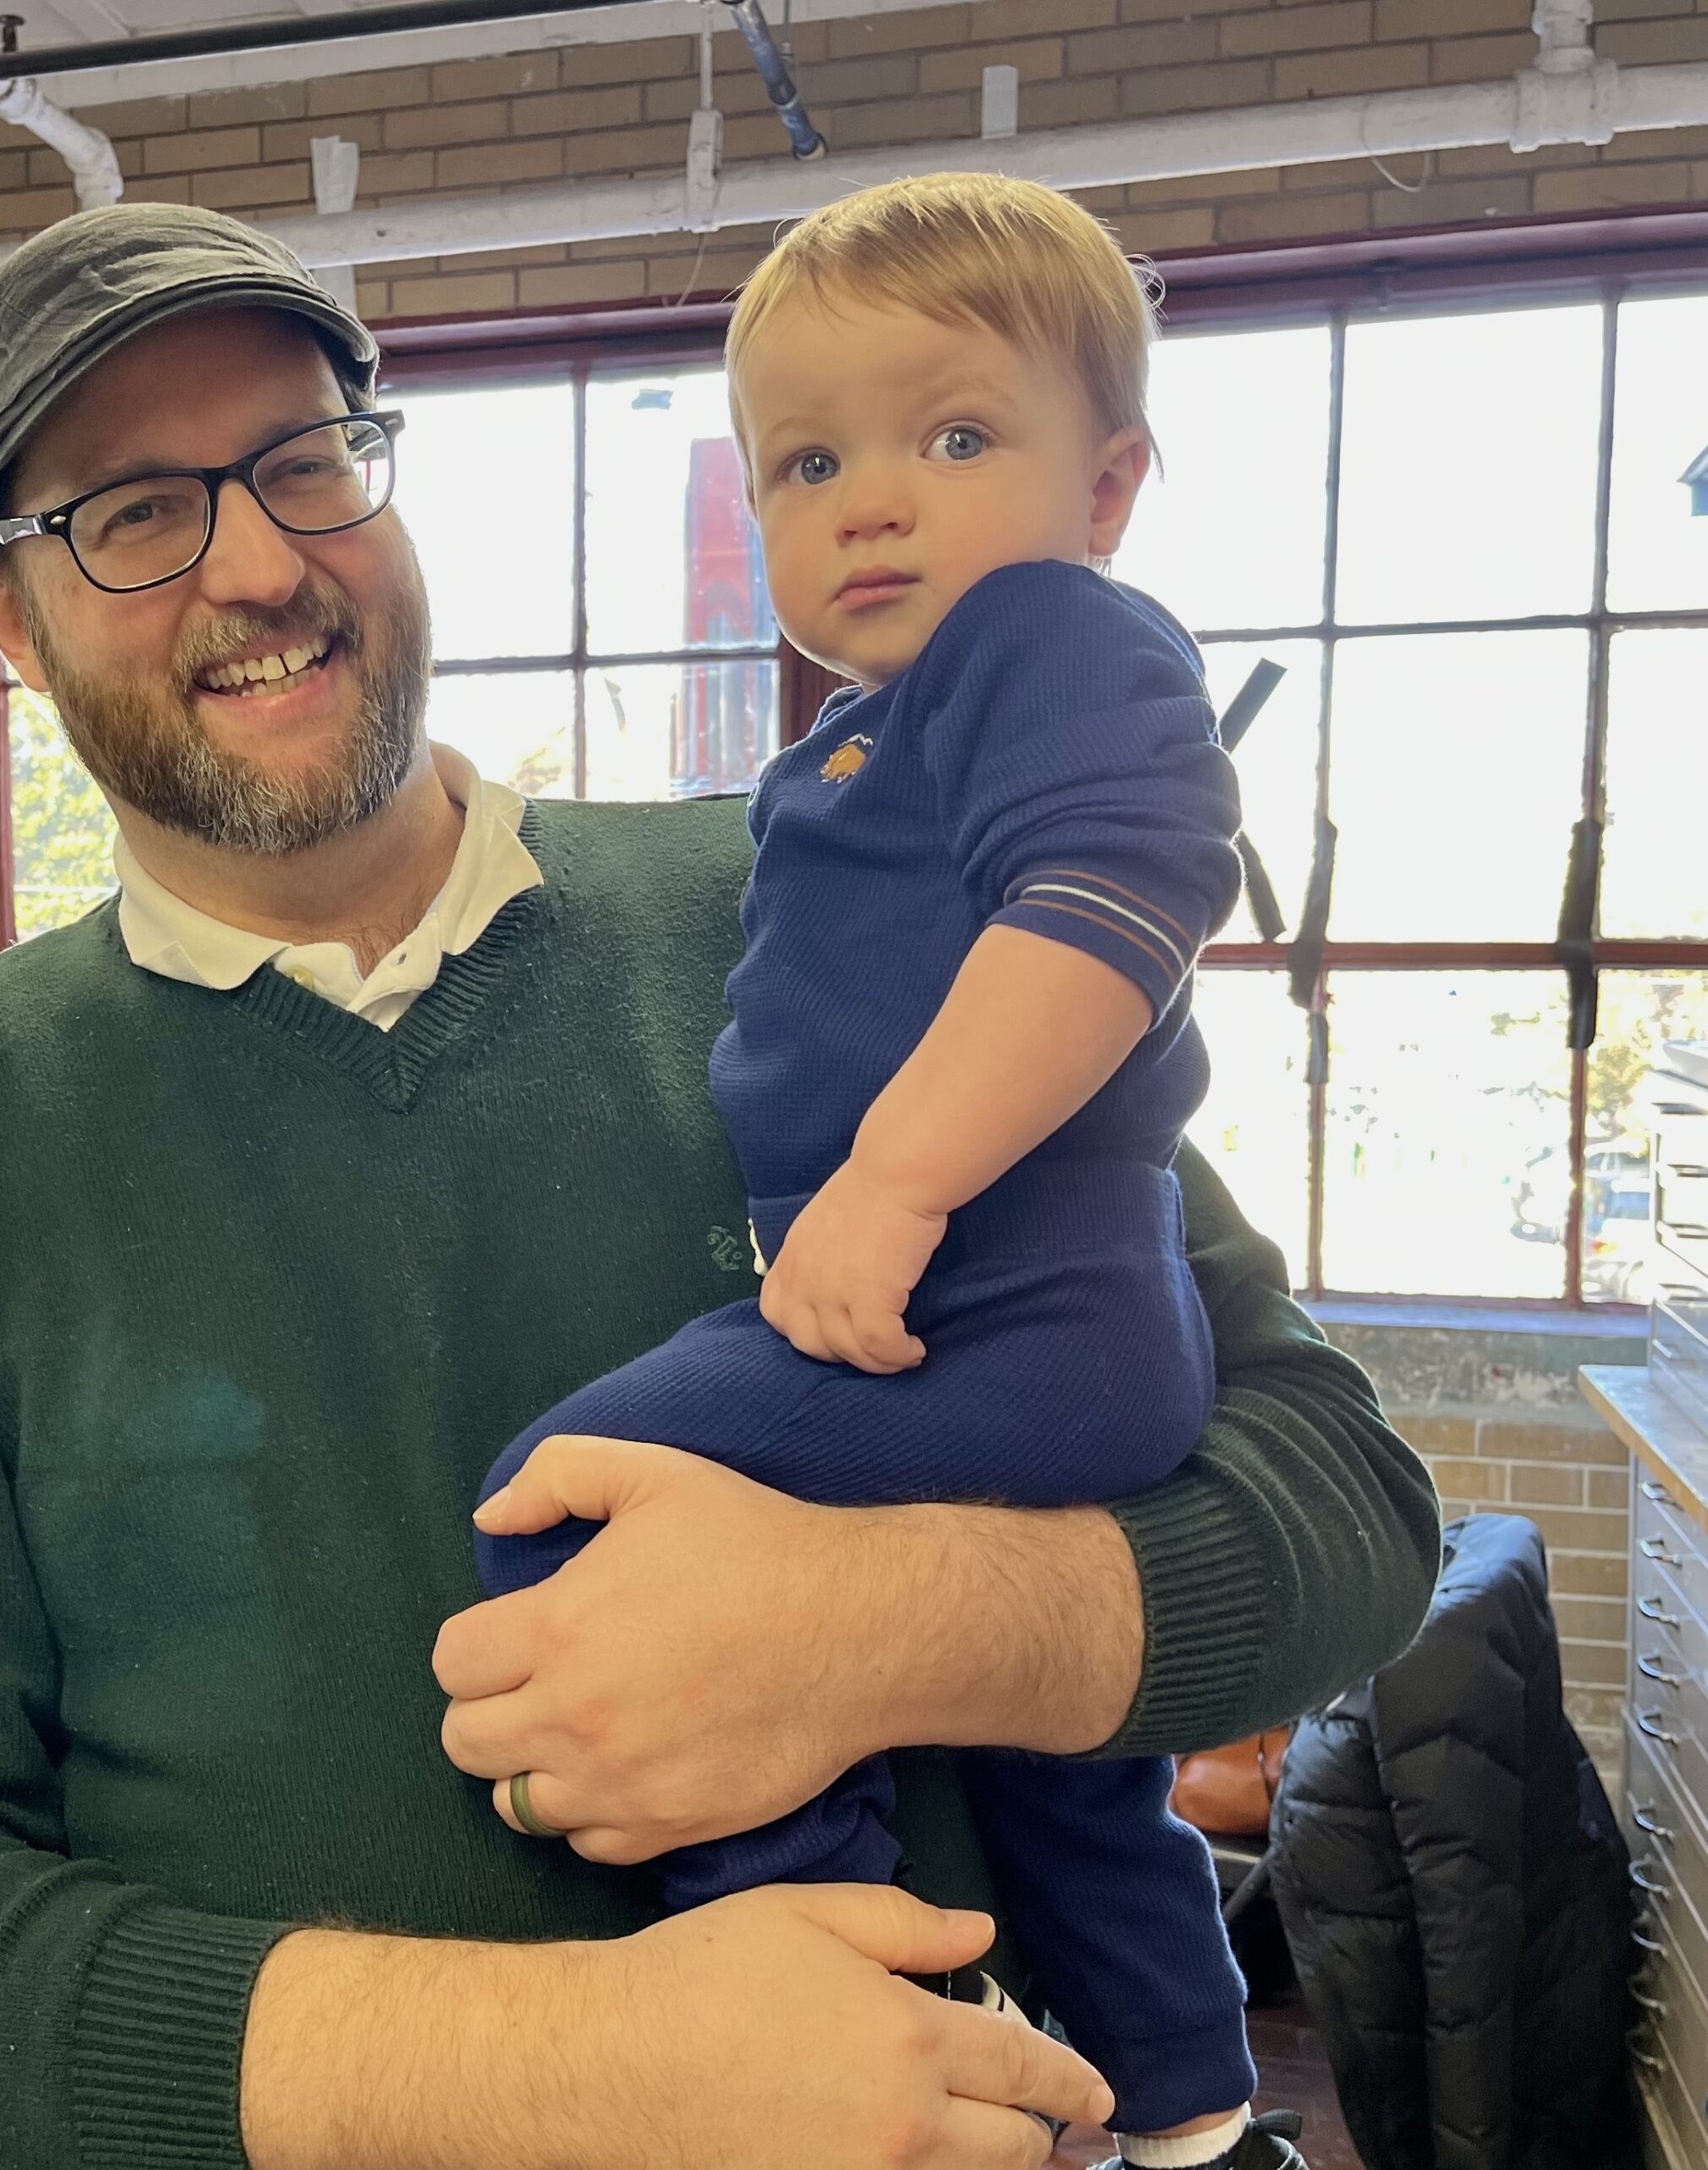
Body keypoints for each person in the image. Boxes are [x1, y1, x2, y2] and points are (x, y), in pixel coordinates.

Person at [0, 201, 1440, 2170]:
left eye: (301, 459)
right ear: (1, 619)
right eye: (127, 511)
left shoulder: (813, 915)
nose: (261, 561)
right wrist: (598, 2057)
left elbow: (1346, 1503)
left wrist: (900, 1623)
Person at [474, 175, 1280, 2170]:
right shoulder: (858, 740)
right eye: (805, 462)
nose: (870, 501)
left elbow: (1115, 898)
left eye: (951, 435)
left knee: (559, 1501)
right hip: (1022, 1326)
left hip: (996, 1304)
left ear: (1104, 488)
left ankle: (864, 1985)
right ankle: (1189, 2110)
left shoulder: (1050, 635)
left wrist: (893, 1184)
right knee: (1070, 1774)